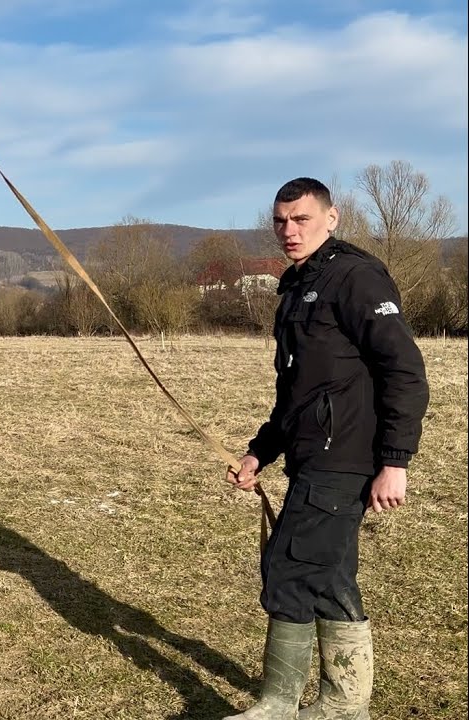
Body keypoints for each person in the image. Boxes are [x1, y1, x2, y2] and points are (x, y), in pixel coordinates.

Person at [223, 177, 429, 720]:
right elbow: (296, 393)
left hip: (346, 457)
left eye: (302, 220)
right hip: (312, 453)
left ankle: (278, 705)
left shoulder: (356, 277)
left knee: (289, 568)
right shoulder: (296, 286)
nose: (289, 231)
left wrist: (395, 462)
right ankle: (345, 705)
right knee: (328, 573)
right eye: (280, 221)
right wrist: (259, 453)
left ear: (331, 218)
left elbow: (405, 372)